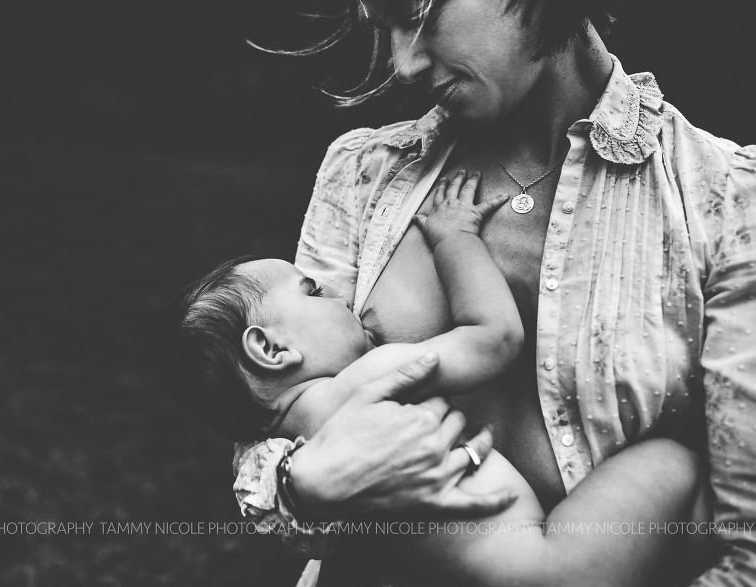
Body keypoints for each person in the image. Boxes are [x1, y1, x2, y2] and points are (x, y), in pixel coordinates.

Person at [232, 0, 756, 584]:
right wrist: (303, 484)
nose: (404, 64)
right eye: (386, 31)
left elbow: (747, 549)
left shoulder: (726, 202)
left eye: (418, 13)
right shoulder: (365, 173)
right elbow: (267, 409)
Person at [176, 173, 707, 586]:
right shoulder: (370, 380)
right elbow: (495, 337)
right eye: (313, 292)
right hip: (546, 565)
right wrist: (456, 239)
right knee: (671, 458)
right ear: (270, 350)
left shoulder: (287, 451)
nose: (340, 296)